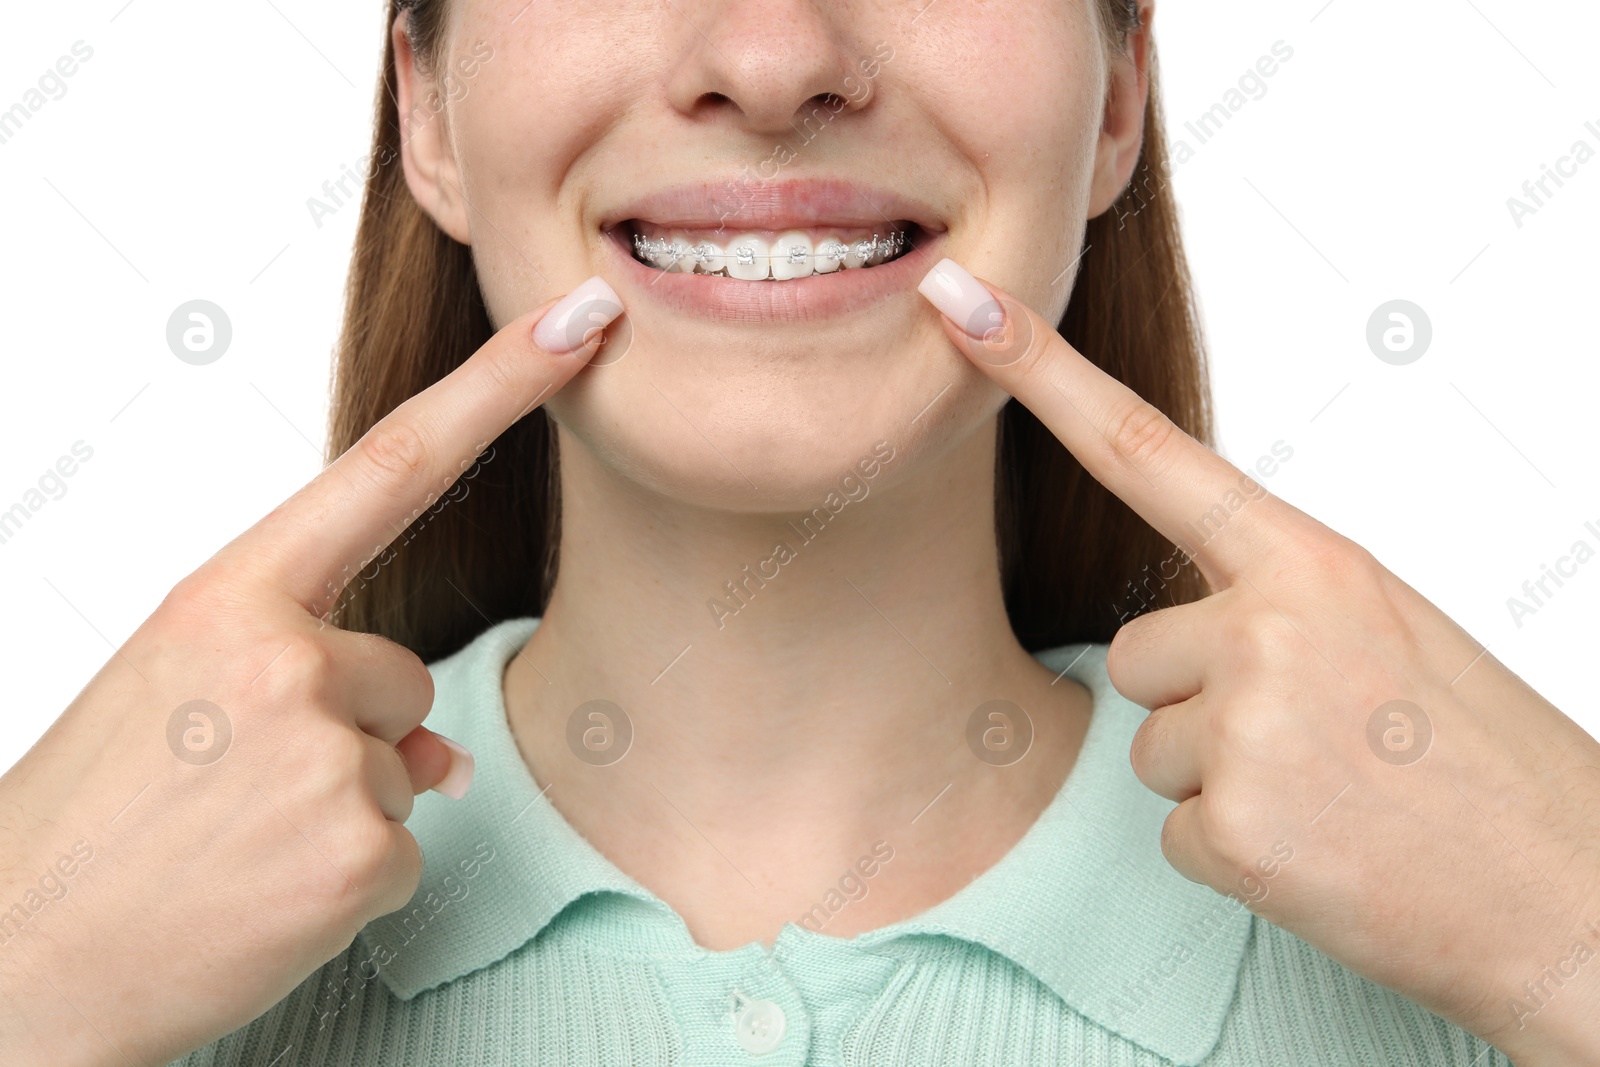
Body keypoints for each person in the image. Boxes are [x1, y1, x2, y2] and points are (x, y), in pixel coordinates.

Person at [1, 1, 1594, 1064]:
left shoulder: (1502, 956)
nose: (771, 60)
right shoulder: (93, 966)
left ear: (1116, 99)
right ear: (427, 109)